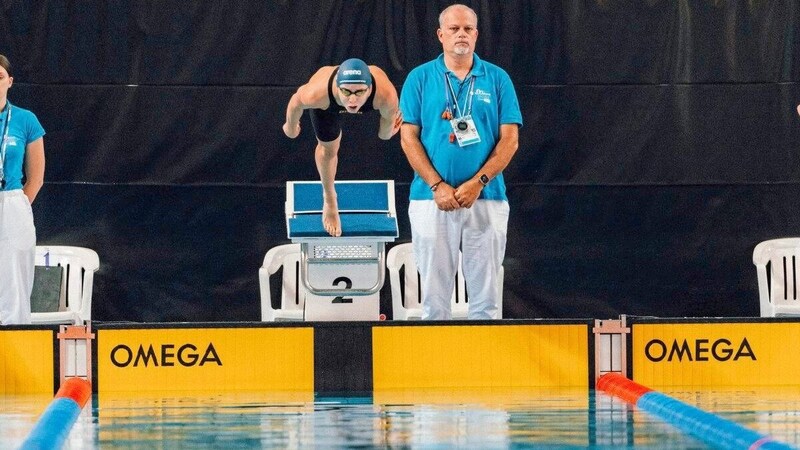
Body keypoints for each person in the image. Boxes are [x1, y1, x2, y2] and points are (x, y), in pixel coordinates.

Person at [399, 4, 523, 320]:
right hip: (430, 199)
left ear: (476, 34)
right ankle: (436, 365)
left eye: (468, 28)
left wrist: (478, 183)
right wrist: (437, 185)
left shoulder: (497, 79)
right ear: (441, 35)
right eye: (454, 29)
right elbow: (408, 138)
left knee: (486, 298)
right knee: (434, 299)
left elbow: (509, 139)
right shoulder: (420, 78)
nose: (461, 34)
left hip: (486, 199)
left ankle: (482, 364)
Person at [283, 58, 402, 237]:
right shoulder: (318, 93)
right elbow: (295, 102)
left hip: (372, 98)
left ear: (369, 89)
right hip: (328, 106)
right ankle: (330, 200)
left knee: (385, 136)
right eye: (346, 91)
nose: (352, 100)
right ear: (338, 87)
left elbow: (384, 135)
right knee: (328, 149)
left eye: (359, 92)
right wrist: (291, 127)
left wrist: (389, 132)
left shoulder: (386, 96)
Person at [0, 54, 46, 325]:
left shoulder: (25, 120)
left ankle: (16, 338)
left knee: (15, 278)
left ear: (10, 82)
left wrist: (17, 205)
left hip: (12, 201)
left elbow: (36, 176)